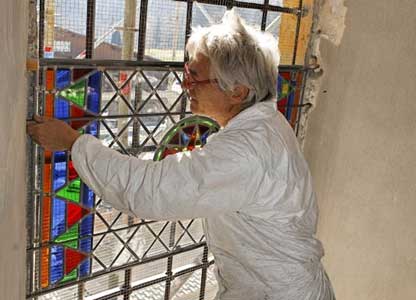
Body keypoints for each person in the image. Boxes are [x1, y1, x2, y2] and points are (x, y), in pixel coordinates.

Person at [27, 9, 335, 300]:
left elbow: (151, 188)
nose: (185, 84)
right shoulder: (266, 124)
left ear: (237, 92)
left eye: (196, 77)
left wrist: (73, 143)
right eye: (187, 72)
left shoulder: (246, 152)